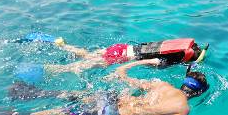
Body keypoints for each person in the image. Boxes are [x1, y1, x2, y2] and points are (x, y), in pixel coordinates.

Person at [0, 59, 209, 115]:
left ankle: (25, 95)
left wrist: (144, 62)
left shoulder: (161, 85)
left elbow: (121, 74)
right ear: (197, 92)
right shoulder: (183, 108)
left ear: (184, 83)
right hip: (113, 113)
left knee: (75, 100)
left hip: (110, 97)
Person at [45, 38, 207, 74]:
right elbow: (150, 61)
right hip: (120, 57)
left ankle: (63, 45)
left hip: (120, 48)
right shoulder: (167, 59)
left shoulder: (170, 47)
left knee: (88, 55)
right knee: (77, 67)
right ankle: (51, 69)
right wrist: (124, 68)